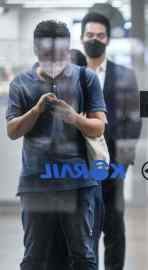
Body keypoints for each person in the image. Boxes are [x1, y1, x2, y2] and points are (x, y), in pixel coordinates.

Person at [6, 20, 107, 270]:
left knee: (83, 255)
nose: (54, 57)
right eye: (47, 51)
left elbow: (99, 127)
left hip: (77, 181)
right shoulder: (20, 83)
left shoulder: (86, 78)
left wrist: (73, 117)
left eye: (60, 51)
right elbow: (12, 131)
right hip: (35, 183)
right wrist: (37, 110)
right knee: (34, 257)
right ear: (36, 49)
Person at [81, 12, 142, 270]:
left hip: (112, 165)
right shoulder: (72, 73)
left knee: (114, 228)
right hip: (77, 166)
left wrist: (122, 165)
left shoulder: (124, 75)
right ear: (82, 37)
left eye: (100, 35)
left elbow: (134, 122)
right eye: (90, 35)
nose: (95, 40)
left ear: (108, 39)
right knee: (84, 230)